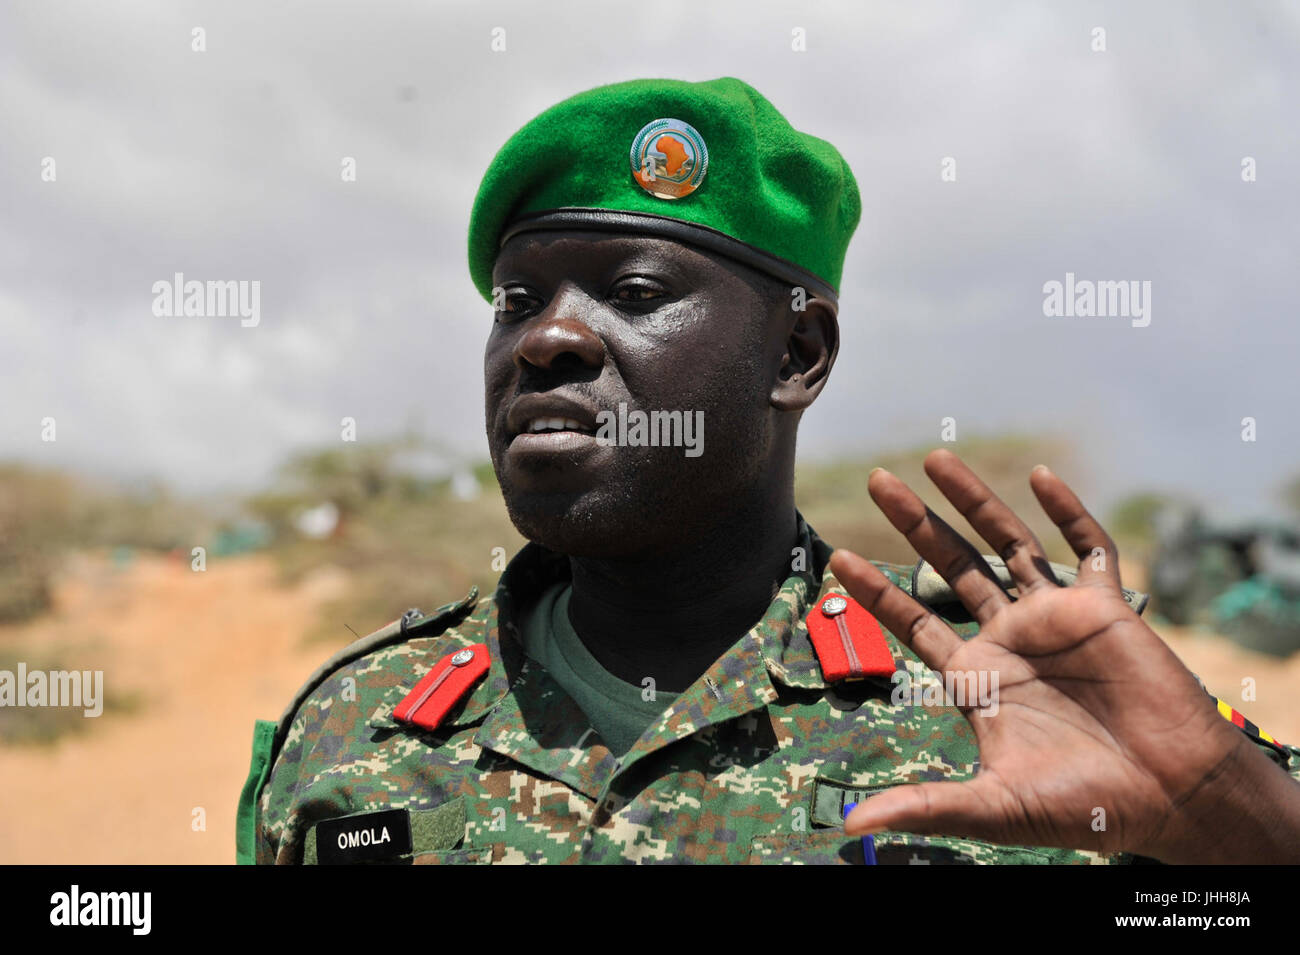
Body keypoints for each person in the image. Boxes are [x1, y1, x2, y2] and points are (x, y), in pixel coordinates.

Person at [238, 76, 1300, 865]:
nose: (545, 340)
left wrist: (1230, 817)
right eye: (516, 301)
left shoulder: (1007, 708)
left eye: (634, 290)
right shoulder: (355, 722)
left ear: (797, 355)